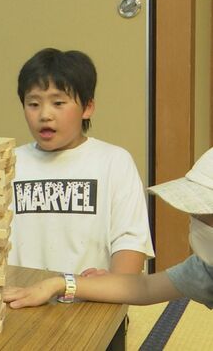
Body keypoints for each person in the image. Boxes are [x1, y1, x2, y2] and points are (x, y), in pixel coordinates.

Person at [4, 147, 213, 309]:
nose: (193, 221)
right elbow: (145, 288)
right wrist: (58, 284)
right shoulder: (204, 269)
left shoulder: (115, 160)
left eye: (202, 212)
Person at [9, 48, 154, 276]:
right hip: (19, 295)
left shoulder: (114, 162)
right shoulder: (9, 164)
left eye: (58, 103)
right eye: (33, 104)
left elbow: (131, 245)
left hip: (91, 296)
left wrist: (114, 284)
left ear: (87, 107)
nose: (45, 115)